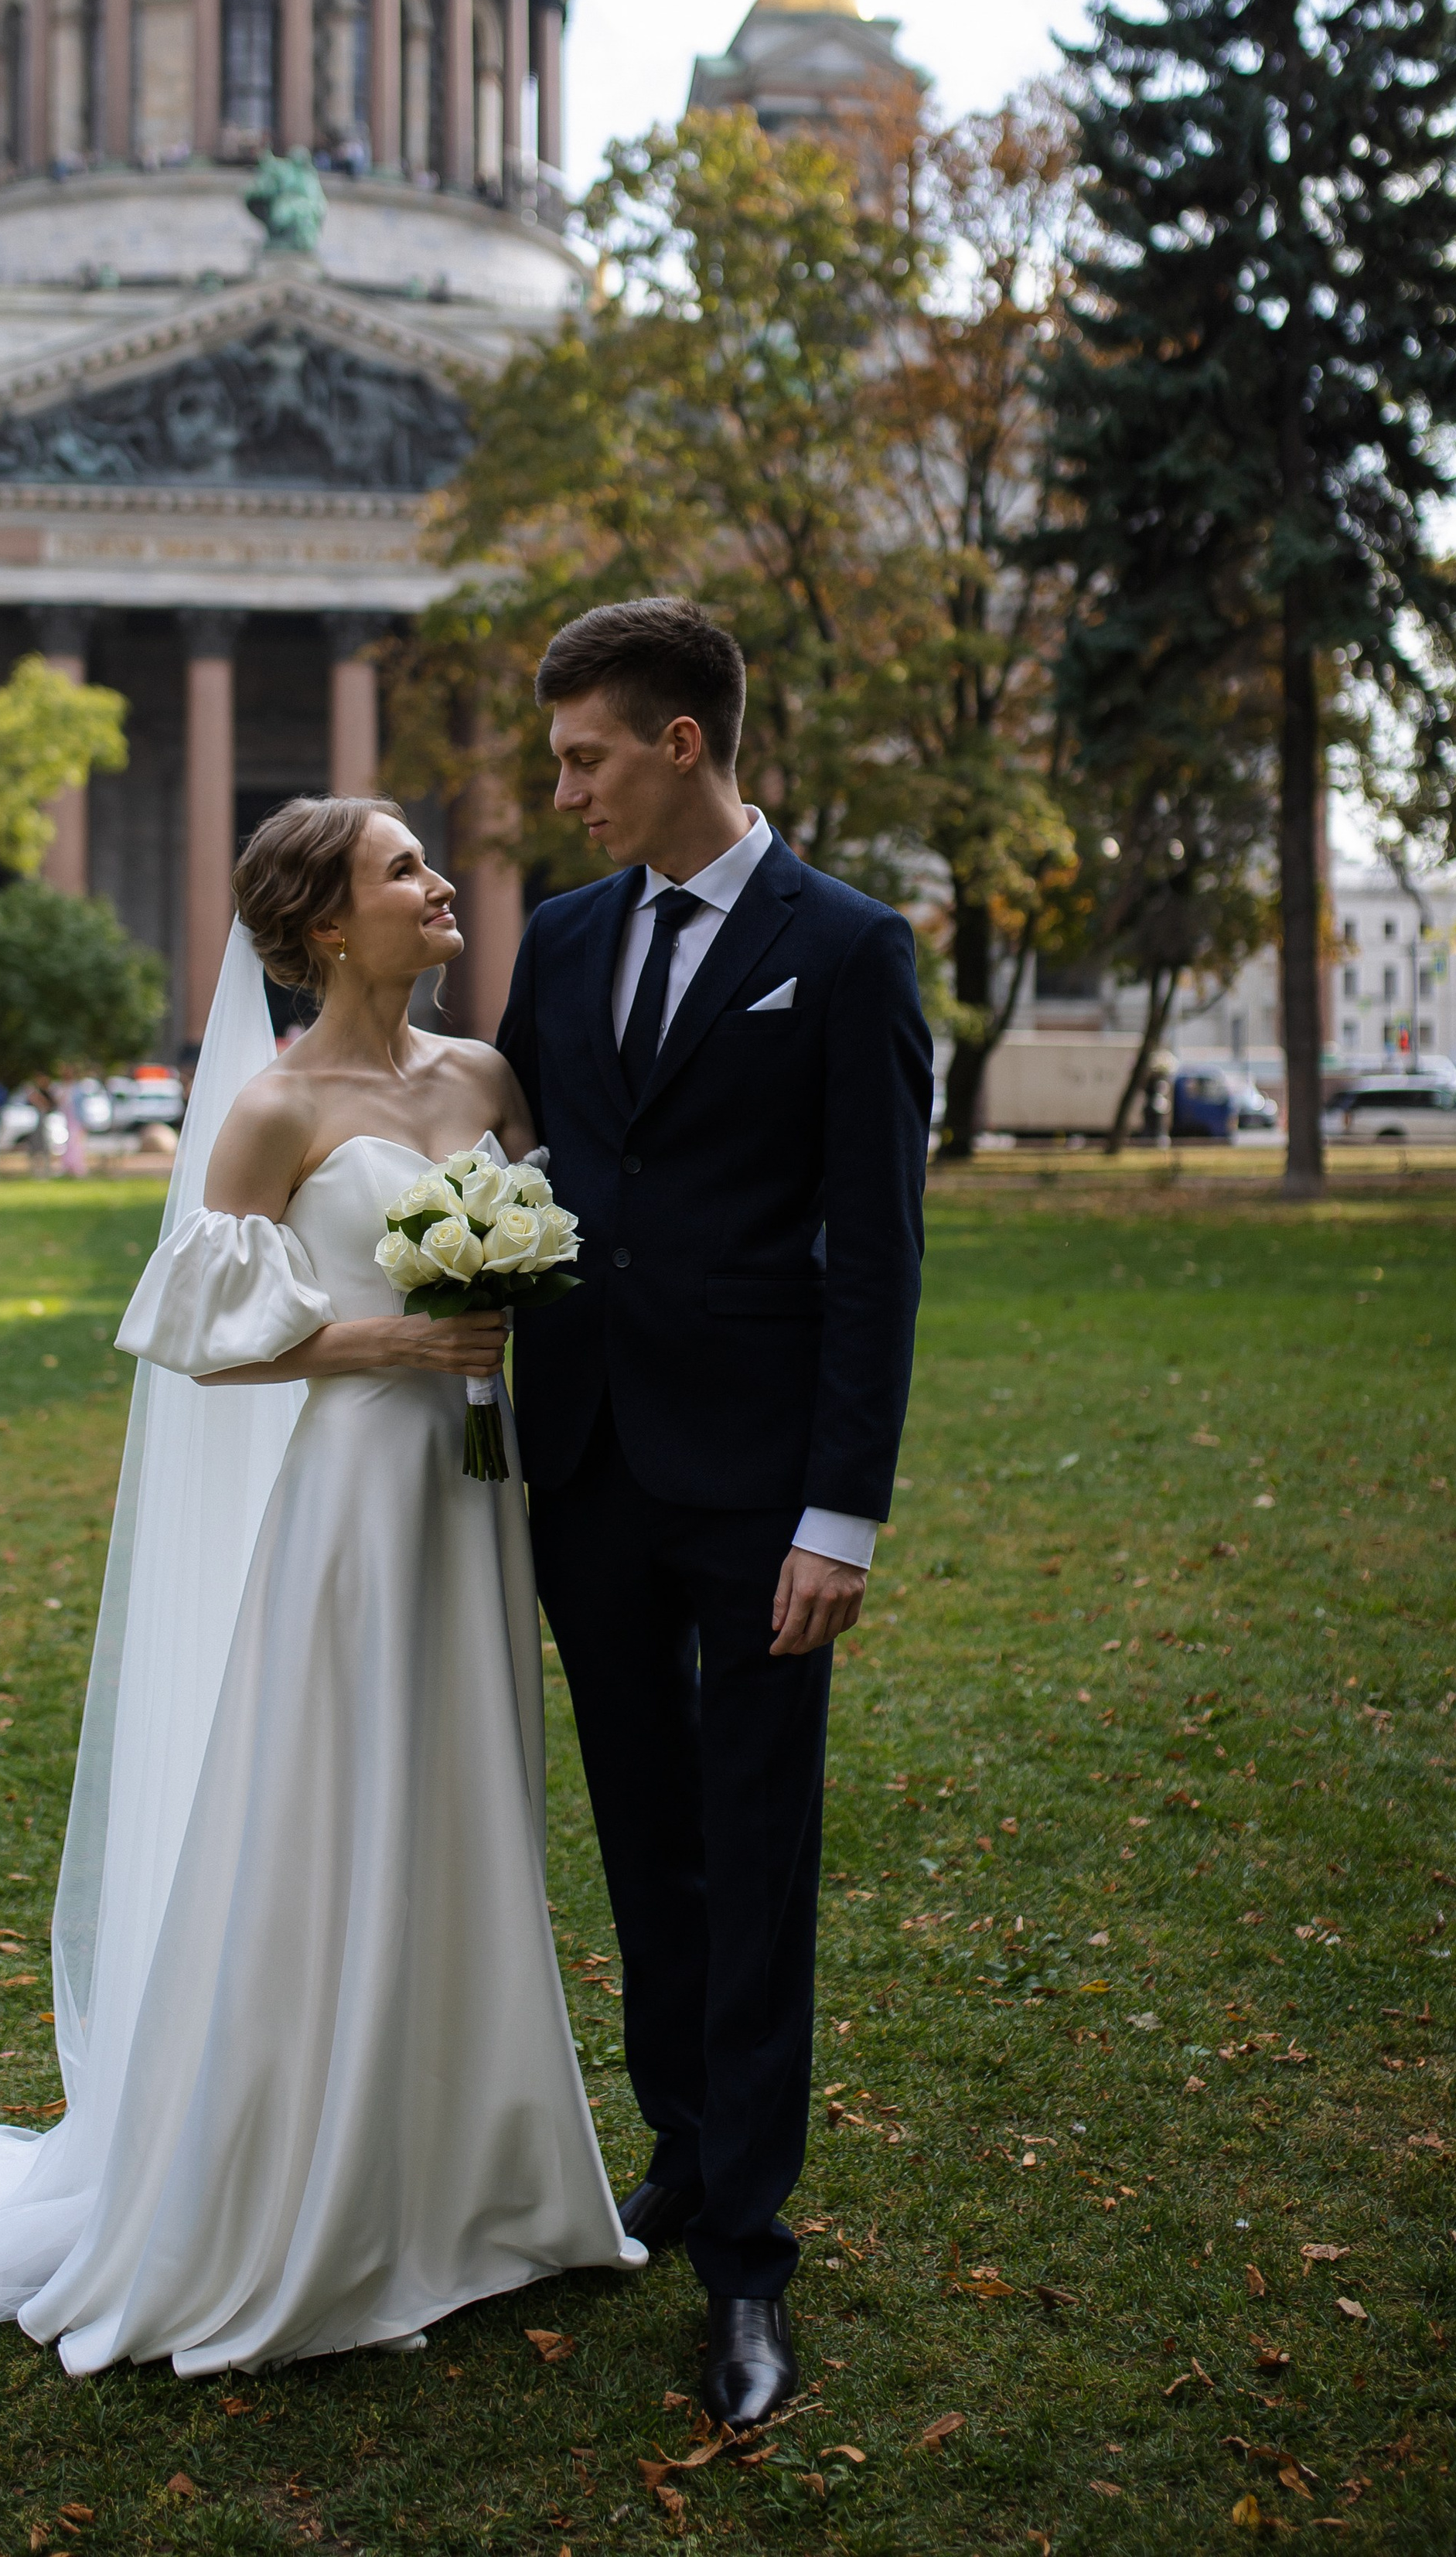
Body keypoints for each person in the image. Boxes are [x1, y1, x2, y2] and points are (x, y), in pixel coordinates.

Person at [0, 794, 640, 2371]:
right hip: (352, 1502)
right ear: (328, 925)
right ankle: (311, 2194)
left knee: (471, 1799)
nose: (437, 882)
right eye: (401, 868)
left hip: (477, 1501)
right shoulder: (270, 1110)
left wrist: (507, 1296)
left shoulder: (482, 1076)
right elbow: (207, 1341)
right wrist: (404, 1338)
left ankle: (485, 2181)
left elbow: (545, 1238)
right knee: (340, 1806)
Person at [497, 599, 931, 2429]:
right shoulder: (557, 933)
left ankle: (745, 2252)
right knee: (643, 1828)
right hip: (585, 1463)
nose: (564, 789)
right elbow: (524, 1172)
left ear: (681, 743)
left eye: (585, 756)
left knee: (754, 1848)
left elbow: (871, 1256)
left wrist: (837, 1513)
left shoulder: (843, 950)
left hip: (763, 1491)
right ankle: (677, 2144)